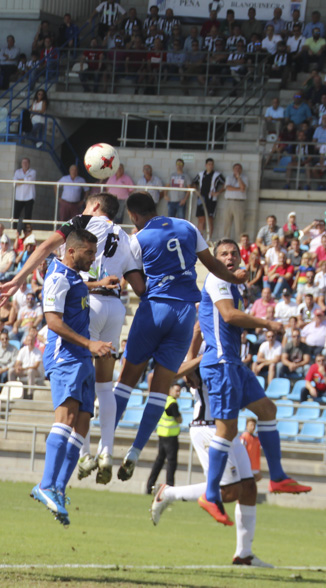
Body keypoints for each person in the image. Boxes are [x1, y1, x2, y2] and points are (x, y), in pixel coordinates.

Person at [2, 192, 145, 484]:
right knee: (106, 386)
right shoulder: (127, 238)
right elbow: (139, 285)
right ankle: (106, 450)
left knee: (82, 378)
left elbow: (45, 247)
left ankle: (85, 454)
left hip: (87, 302)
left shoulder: (83, 222)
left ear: (94, 206)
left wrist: (18, 279)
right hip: (115, 308)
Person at [111, 191, 247, 483]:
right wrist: (235, 277)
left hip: (155, 308)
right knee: (160, 388)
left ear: (133, 216)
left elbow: (139, 289)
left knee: (126, 380)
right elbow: (212, 265)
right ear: (157, 208)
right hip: (186, 313)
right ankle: (134, 452)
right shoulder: (187, 227)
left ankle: (103, 448)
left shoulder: (136, 240)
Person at [194, 238, 310, 526]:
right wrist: (267, 323)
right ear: (214, 260)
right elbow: (229, 315)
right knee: (228, 429)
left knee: (268, 410)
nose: (230, 257)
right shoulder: (217, 280)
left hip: (233, 362)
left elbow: (202, 323)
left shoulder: (234, 284)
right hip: (221, 364)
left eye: (234, 253)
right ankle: (210, 494)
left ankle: (278, 477)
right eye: (223, 254)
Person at [149, 363, 276, 569]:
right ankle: (168, 493)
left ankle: (244, 554)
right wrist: (199, 360)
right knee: (229, 490)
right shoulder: (206, 352)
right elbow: (174, 371)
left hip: (230, 428)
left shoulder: (232, 352)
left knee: (249, 488)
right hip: (208, 427)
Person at [29, 228, 112, 526]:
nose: (93, 257)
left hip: (81, 358)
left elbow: (79, 287)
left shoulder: (75, 277)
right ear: (72, 251)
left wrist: (101, 283)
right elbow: (52, 322)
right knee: (65, 419)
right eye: (89, 253)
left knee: (82, 424)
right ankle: (45, 484)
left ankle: (59, 489)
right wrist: (90, 343)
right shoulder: (57, 276)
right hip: (66, 356)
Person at [144, 383, 182, 494]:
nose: (178, 393)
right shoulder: (173, 403)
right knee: (171, 463)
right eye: (176, 390)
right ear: (170, 390)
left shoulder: (164, 401)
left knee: (159, 461)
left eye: (179, 391)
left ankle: (149, 485)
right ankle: (170, 488)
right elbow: (179, 419)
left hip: (162, 435)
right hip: (170, 436)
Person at [13, 157, 36, 233]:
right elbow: (15, 182)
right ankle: (14, 230)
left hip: (29, 197)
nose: (25, 164)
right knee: (16, 215)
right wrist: (25, 180)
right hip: (19, 197)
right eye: (23, 163)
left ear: (29, 164)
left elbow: (29, 181)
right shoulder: (17, 172)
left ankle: (27, 230)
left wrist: (21, 180)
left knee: (28, 216)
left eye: (26, 163)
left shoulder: (33, 172)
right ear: (21, 164)